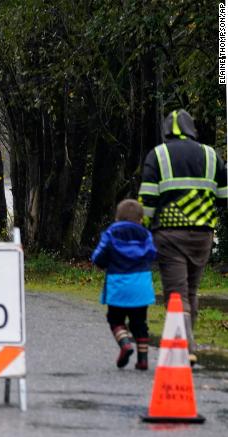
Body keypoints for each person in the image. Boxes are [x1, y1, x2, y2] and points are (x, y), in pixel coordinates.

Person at [138, 109, 228, 365]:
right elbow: (223, 197)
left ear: (167, 131)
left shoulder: (158, 155)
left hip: (169, 235)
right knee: (192, 290)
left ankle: (186, 347)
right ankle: (189, 343)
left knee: (177, 294)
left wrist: (144, 229)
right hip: (203, 236)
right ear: (192, 130)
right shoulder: (211, 155)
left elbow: (147, 202)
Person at [91, 199, 156, 370]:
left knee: (115, 319)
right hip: (140, 287)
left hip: (118, 286)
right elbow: (152, 254)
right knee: (139, 323)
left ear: (117, 218)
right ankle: (143, 360)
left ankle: (125, 344)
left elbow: (98, 256)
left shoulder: (111, 233)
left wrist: (102, 263)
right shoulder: (145, 235)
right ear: (140, 219)